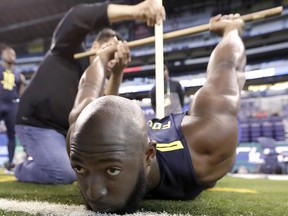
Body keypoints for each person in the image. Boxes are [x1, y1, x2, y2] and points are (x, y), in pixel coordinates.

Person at [67, 13, 246, 214]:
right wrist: (103, 58)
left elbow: (226, 66)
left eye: (112, 170)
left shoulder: (207, 139)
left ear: (148, 156)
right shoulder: (80, 144)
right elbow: (89, 88)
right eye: (80, 169)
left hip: (183, 141)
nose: (93, 193)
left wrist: (231, 30)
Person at [15, 0, 165, 184]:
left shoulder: (99, 79)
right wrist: (135, 11)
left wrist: (117, 73)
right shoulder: (68, 50)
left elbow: (102, 112)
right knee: (64, 174)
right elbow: (77, 16)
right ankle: (22, 169)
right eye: (109, 48)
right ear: (95, 46)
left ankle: (47, 157)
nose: (112, 57)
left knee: (82, 168)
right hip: (36, 124)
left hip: (63, 132)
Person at [0, 45, 26, 172]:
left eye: (14, 54)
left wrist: (23, 83)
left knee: (12, 135)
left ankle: (10, 164)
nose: (12, 56)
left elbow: (21, 94)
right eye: (10, 53)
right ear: (3, 55)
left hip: (12, 105)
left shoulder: (18, 75)